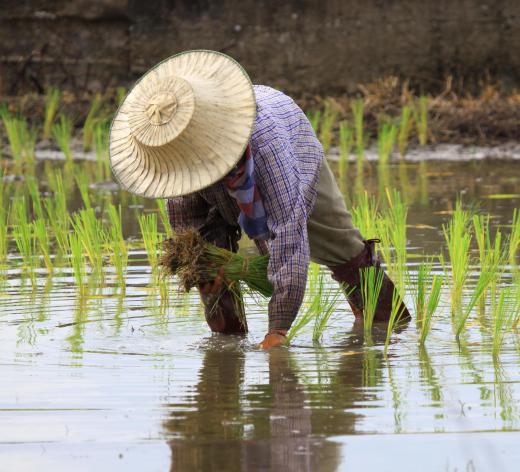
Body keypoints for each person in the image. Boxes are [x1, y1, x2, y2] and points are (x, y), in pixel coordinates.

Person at [109, 49, 410, 350]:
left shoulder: (267, 144)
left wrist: (277, 330)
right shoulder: (173, 159)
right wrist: (203, 270)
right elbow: (189, 232)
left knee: (342, 248)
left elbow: (288, 237)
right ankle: (226, 349)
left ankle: (389, 326)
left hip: (293, 151)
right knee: (212, 266)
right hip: (217, 173)